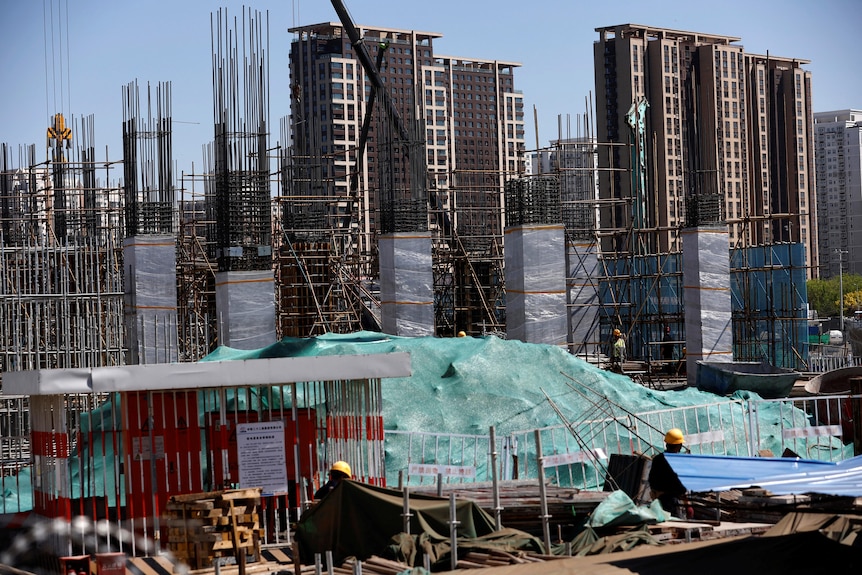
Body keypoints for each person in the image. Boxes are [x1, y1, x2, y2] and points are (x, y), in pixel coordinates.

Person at [648, 428, 689, 519]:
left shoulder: (657, 459)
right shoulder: (679, 461)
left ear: (667, 444)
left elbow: (651, 481)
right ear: (679, 446)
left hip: (659, 500)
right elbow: (683, 485)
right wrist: (688, 505)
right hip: (674, 501)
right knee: (677, 524)